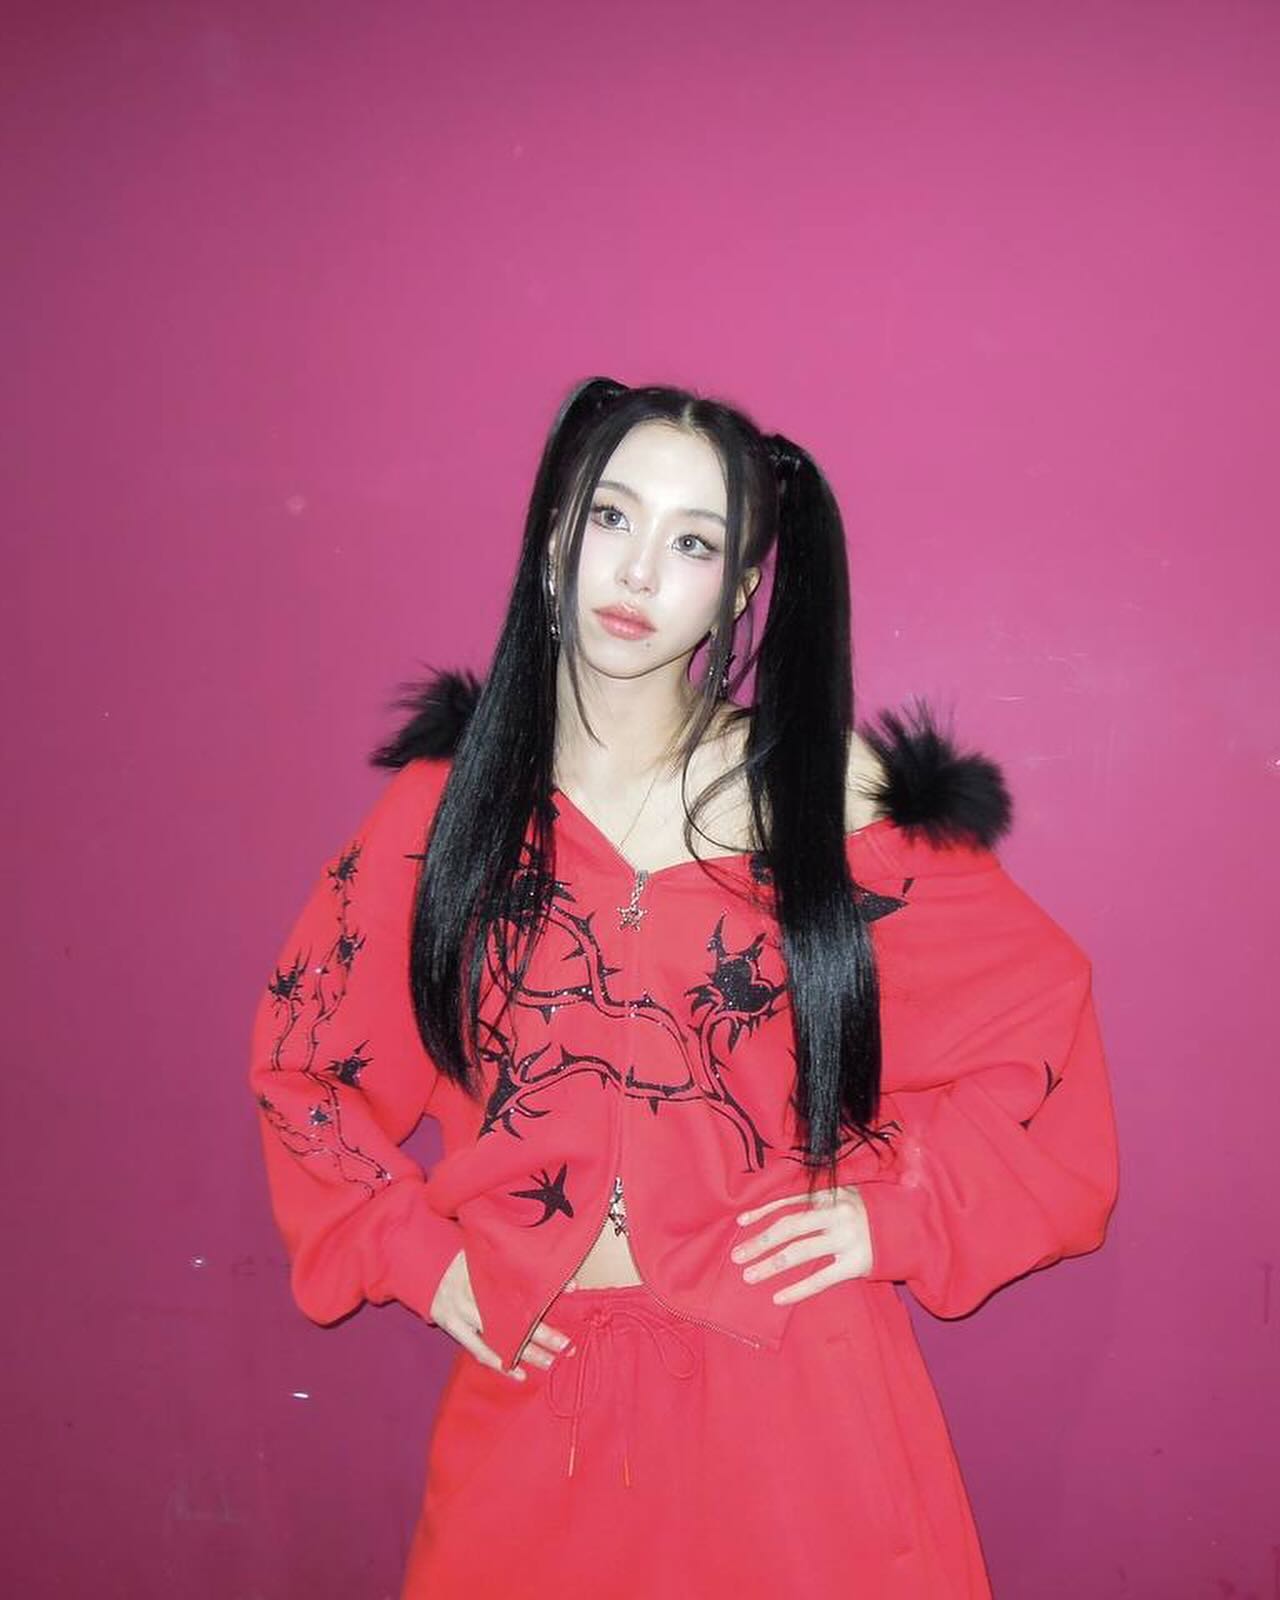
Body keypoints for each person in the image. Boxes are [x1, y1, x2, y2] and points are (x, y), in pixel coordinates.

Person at [247, 376, 1120, 1598]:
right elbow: (304, 1068)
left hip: (793, 1407)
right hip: (535, 1396)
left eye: (694, 542)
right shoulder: (445, 814)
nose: (638, 570)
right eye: (612, 516)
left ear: (742, 586)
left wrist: (895, 1214)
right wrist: (414, 1255)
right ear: (556, 528)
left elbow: (1041, 1028)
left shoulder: (826, 800)